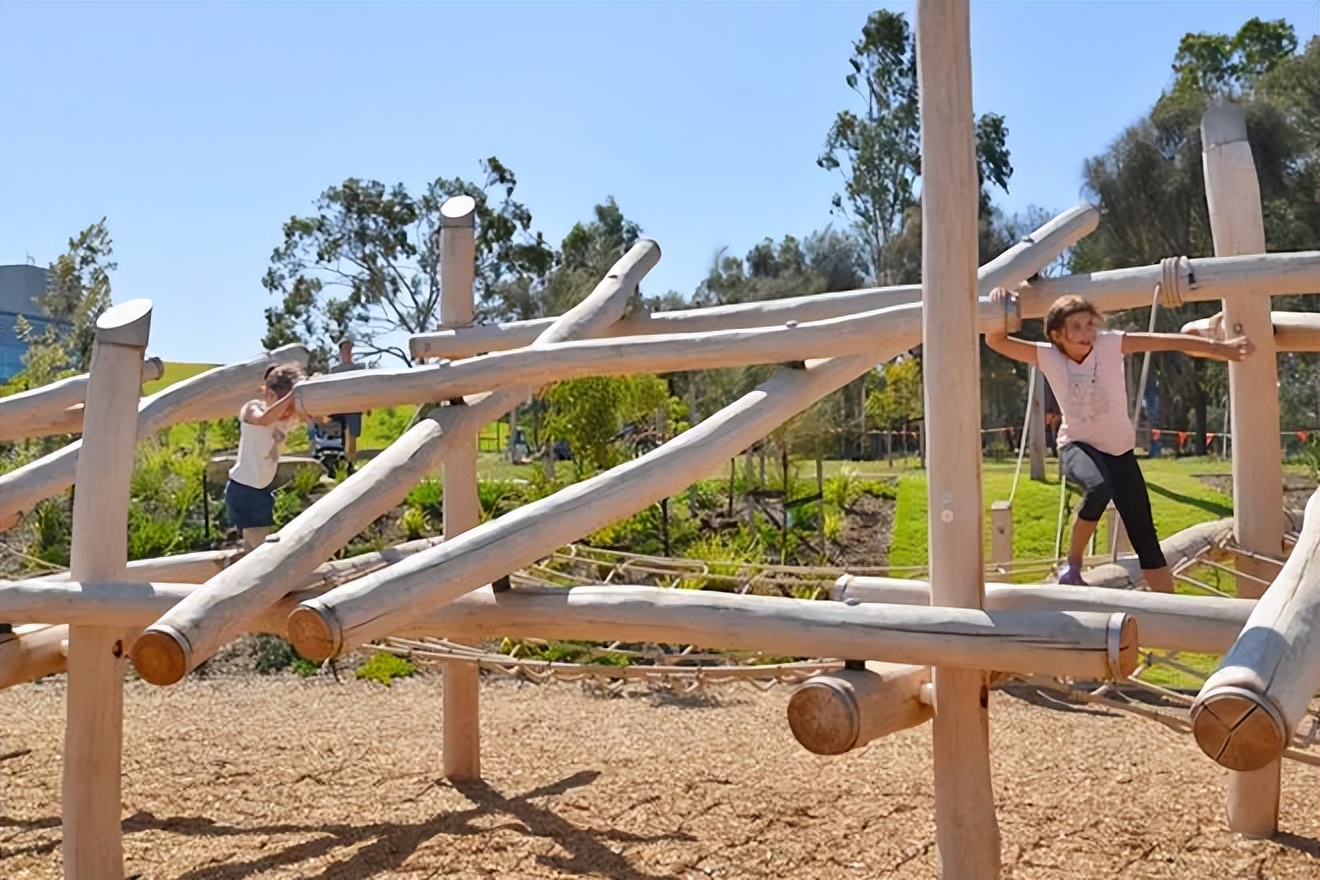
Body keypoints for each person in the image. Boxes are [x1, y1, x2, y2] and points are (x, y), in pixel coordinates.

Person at [985, 289, 1255, 591]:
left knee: (1147, 541)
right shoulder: (1045, 355)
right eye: (1076, 327)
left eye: (1090, 324)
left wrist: (1220, 349)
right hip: (1076, 444)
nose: (1087, 333)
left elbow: (1164, 341)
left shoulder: (1109, 344)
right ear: (1057, 334)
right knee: (1099, 488)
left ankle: (1170, 611)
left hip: (1119, 453)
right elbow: (995, 340)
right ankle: (1072, 564)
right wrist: (998, 307)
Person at [224, 363, 305, 550]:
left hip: (261, 490)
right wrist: (292, 395)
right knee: (260, 551)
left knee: (253, 549)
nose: (287, 410)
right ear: (269, 394)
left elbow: (318, 417)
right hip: (245, 490)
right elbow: (262, 420)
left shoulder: (283, 417)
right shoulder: (252, 408)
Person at [328, 336, 365, 466]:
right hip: (339, 407)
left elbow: (363, 387)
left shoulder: (359, 368)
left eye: (349, 348)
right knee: (340, 436)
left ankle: (351, 464)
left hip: (355, 406)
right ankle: (341, 463)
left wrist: (367, 404)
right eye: (345, 348)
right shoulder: (334, 371)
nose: (347, 351)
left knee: (353, 436)